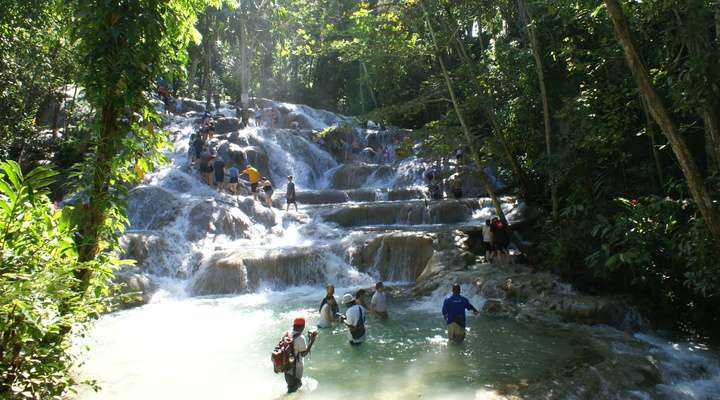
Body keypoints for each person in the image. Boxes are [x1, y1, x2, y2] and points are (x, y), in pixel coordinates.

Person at [283, 317, 318, 394]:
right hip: (296, 368)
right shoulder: (300, 338)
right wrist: (312, 341)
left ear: (294, 325)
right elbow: (303, 354)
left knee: (292, 388)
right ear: (303, 326)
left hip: (287, 367)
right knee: (293, 390)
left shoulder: (288, 334)